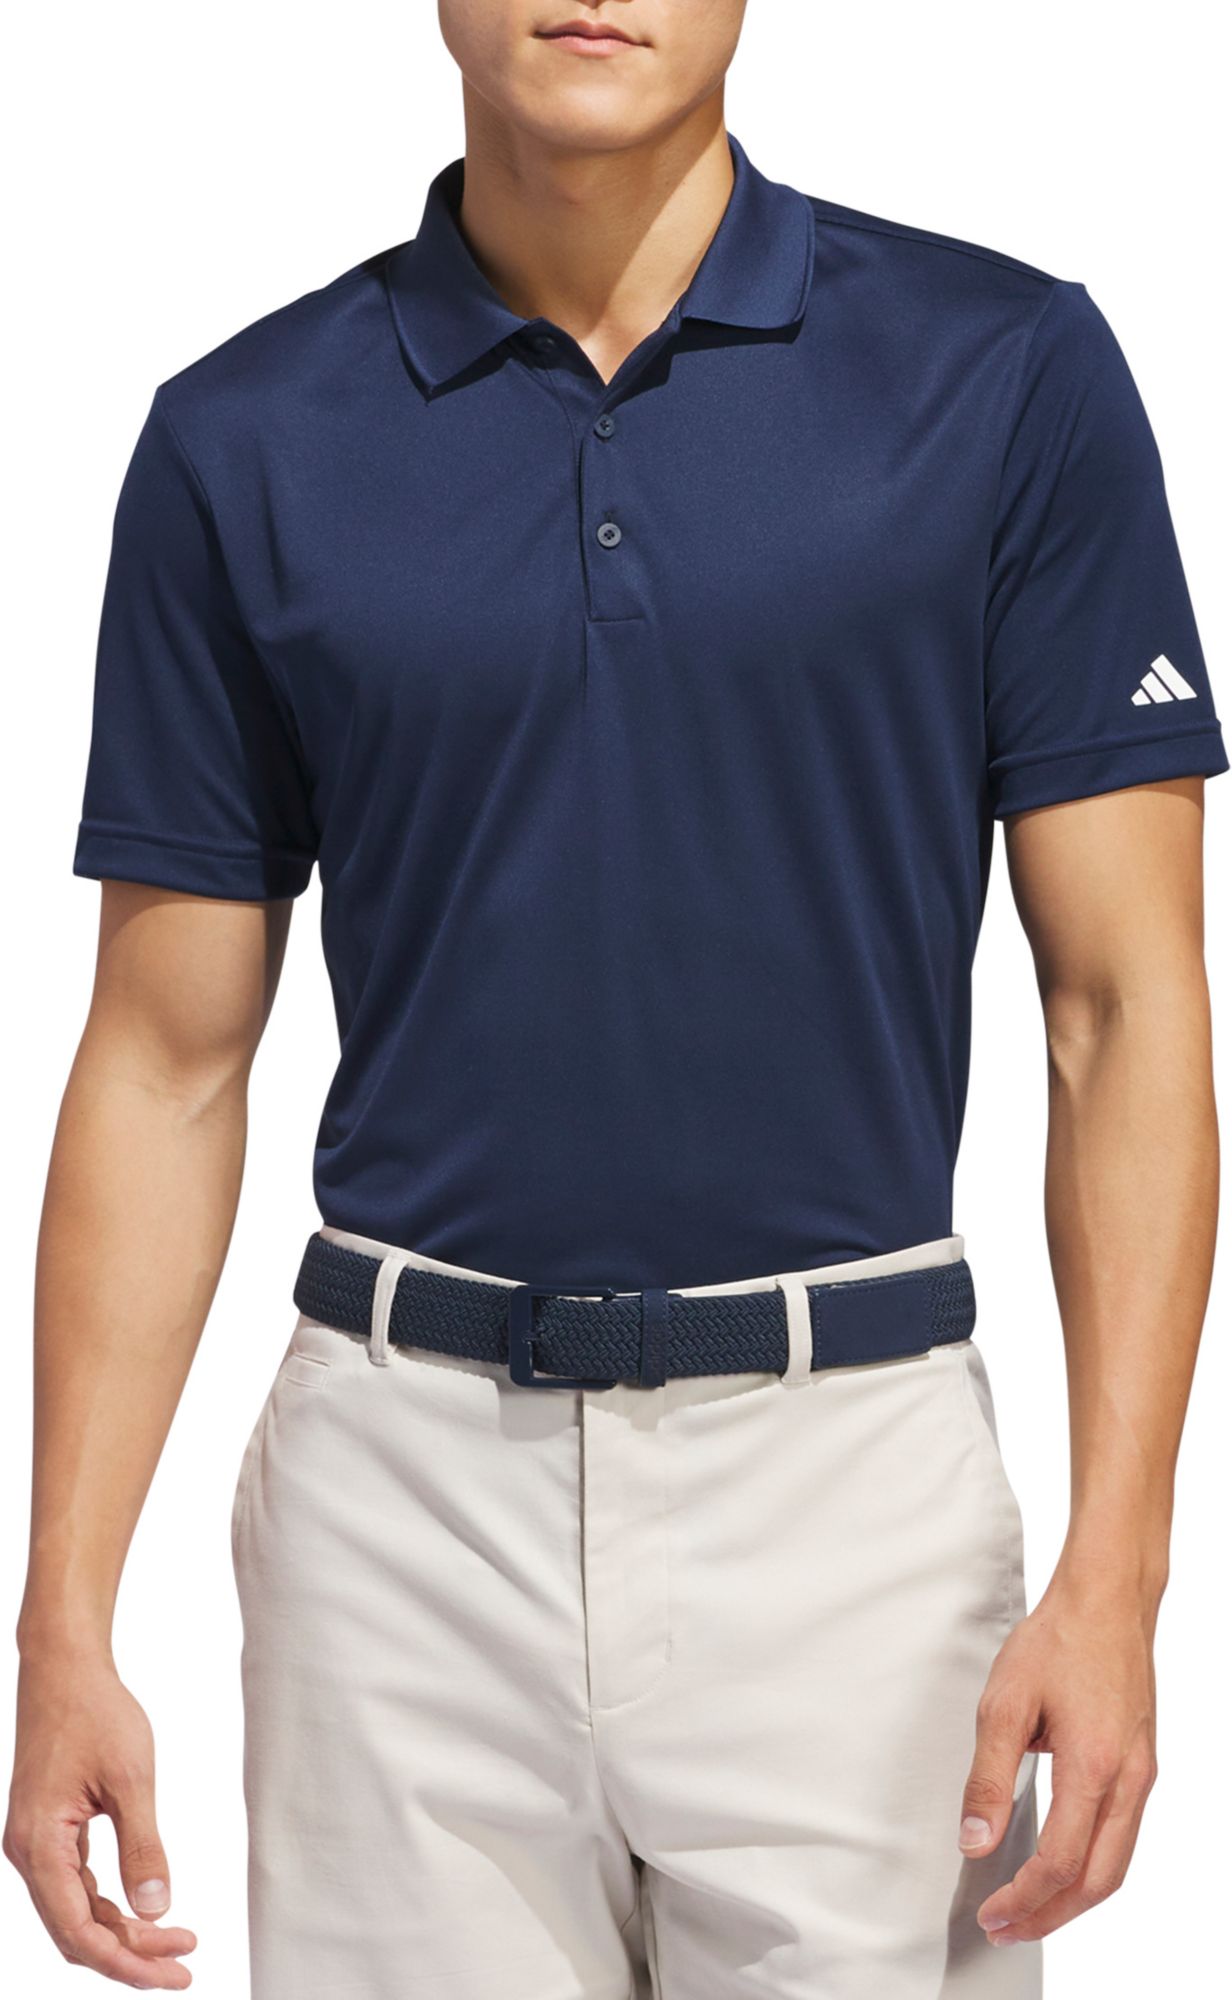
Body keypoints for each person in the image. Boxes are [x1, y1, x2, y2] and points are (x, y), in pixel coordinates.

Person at [6, 2, 1224, 1994]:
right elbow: (162, 1058)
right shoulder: (243, 438)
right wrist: (62, 1617)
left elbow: (1123, 1004)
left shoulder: (1005, 374)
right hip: (397, 1520)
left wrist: (1121, 1571)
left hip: (853, 1499)